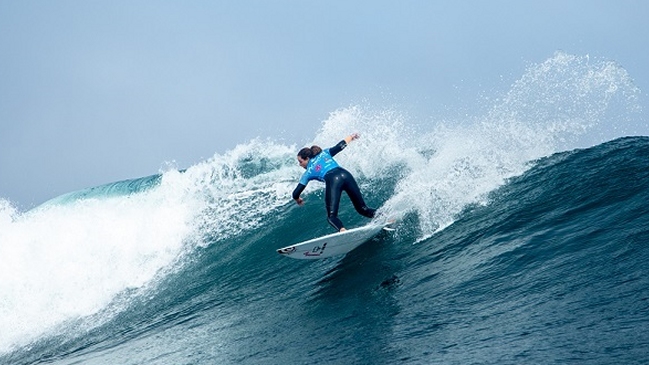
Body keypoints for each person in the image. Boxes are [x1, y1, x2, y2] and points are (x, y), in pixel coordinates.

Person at [292, 133, 376, 232]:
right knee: (363, 209)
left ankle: (342, 230)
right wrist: (351, 137)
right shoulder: (324, 153)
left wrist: (298, 199)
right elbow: (340, 146)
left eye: (300, 161)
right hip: (346, 175)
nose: (300, 165)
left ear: (307, 159)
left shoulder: (308, 172)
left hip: (333, 181)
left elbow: (295, 193)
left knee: (331, 217)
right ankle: (386, 216)